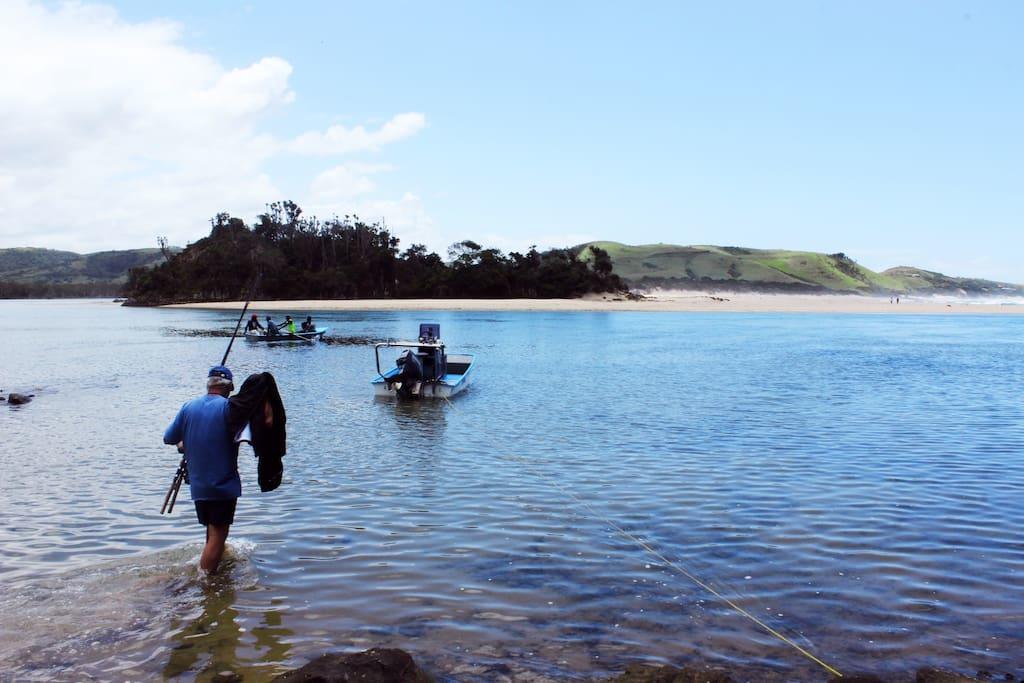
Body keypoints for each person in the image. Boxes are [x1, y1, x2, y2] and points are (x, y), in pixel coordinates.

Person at [163, 365, 276, 574]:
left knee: (211, 531)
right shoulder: (230, 410)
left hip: (198, 485)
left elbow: (169, 438)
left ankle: (215, 570)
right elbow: (263, 427)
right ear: (230, 387)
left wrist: (184, 444)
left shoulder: (188, 407)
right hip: (223, 485)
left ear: (208, 384)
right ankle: (204, 584)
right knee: (218, 535)